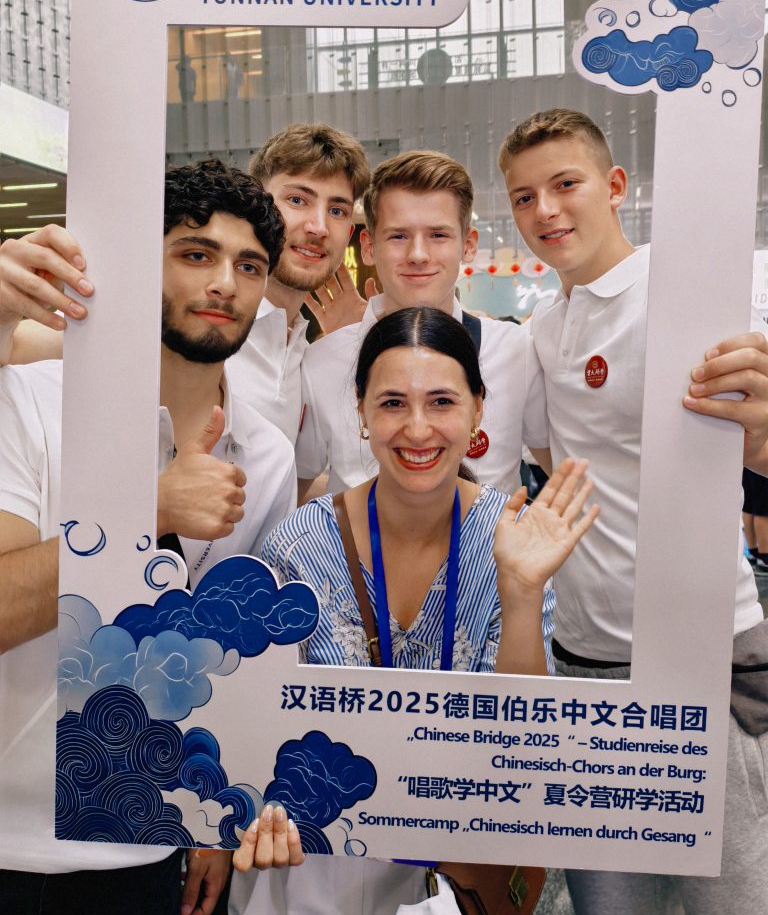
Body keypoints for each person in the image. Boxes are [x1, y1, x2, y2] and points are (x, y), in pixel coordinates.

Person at [230, 306, 599, 914]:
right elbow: (258, 723)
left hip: (455, 866)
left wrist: (522, 590)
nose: (418, 429)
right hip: (315, 868)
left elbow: (525, 737)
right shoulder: (299, 546)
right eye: (393, 403)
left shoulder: (511, 539)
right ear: (361, 411)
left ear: (478, 409)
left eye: (442, 402)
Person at [0, 159, 296, 915]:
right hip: (11, 837)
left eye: (250, 266)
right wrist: (147, 511)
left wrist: (221, 812)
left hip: (152, 838)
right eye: (196, 254)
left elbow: (243, 657)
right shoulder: (33, 402)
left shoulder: (267, 453)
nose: (225, 283)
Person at [498, 108, 768, 914]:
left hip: (706, 652)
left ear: (615, 186)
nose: (545, 210)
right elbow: (552, 462)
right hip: (587, 662)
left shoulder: (693, 291)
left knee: (735, 898)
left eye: (565, 184)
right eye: (523, 197)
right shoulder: (542, 333)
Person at [0, 123, 372, 444]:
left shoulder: (305, 348)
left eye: (337, 210)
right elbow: (14, 348)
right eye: (298, 200)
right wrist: (4, 308)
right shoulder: (178, 316)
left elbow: (287, 483)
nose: (318, 227)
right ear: (258, 201)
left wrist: (351, 345)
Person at [295, 150, 550, 499]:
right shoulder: (322, 361)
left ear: (468, 245)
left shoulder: (514, 351)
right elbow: (294, 486)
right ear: (368, 247)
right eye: (398, 236)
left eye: (438, 235)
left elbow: (559, 466)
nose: (418, 255)